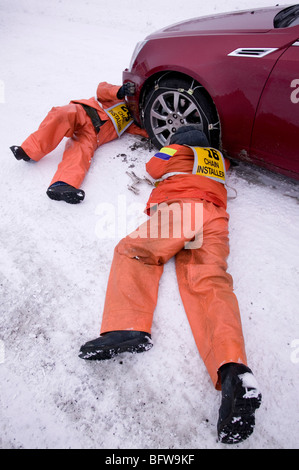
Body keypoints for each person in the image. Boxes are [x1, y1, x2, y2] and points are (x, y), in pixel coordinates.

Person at [78, 125, 262, 444]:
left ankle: (128, 327)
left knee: (135, 251)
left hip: (183, 209)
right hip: (215, 220)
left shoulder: (175, 151)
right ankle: (233, 369)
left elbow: (153, 168)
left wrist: (169, 150)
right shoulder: (219, 161)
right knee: (210, 283)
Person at [10, 82, 148, 203]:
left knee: (80, 153)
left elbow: (148, 132)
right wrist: (119, 91)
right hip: (83, 112)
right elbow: (102, 88)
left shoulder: (134, 122)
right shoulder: (120, 97)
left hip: (93, 134)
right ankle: (28, 151)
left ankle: (62, 185)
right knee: (61, 115)